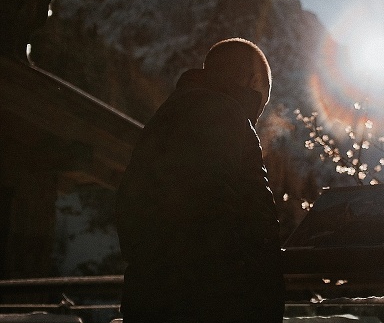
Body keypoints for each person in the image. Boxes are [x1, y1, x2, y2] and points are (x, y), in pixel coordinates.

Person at [116, 38, 285, 323]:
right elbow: (226, 218)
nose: (259, 113)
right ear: (254, 80)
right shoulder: (224, 114)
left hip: (150, 296)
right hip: (212, 303)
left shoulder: (166, 116)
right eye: (263, 99)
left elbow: (131, 210)